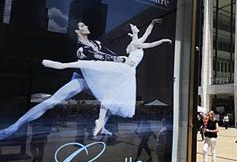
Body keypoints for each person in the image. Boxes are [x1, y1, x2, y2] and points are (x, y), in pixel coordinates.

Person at [0, 22, 130, 141]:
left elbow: (109, 53)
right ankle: (13, 127)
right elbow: (99, 56)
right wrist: (122, 60)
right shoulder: (81, 50)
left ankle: (101, 125)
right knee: (51, 102)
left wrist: (122, 58)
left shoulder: (97, 43)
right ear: (77, 31)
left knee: (113, 100)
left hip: (95, 82)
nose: (86, 27)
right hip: (81, 80)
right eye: (82, 26)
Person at [42, 19, 171, 136]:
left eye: (136, 28)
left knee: (111, 97)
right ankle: (61, 65)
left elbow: (147, 34)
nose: (137, 29)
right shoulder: (136, 43)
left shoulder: (136, 41)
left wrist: (152, 23)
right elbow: (151, 43)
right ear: (134, 31)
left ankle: (101, 122)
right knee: (102, 82)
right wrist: (163, 40)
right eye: (136, 28)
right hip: (126, 70)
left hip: (129, 72)